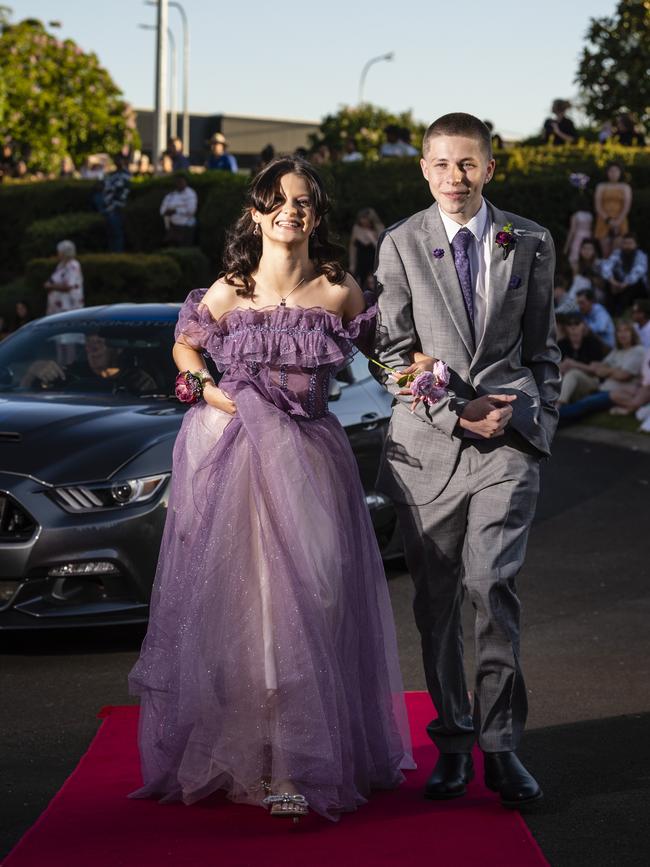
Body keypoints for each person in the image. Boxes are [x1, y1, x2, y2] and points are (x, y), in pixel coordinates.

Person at [128, 157, 414, 822]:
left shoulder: (340, 289)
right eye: (278, 200)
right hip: (240, 462)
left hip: (314, 463)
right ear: (255, 212)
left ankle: (309, 749)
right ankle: (279, 765)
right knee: (254, 614)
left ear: (317, 214)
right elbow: (185, 345)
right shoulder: (228, 290)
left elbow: (376, 353)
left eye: (305, 200)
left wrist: (416, 374)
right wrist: (204, 389)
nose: (292, 210)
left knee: (319, 600)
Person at [374, 113, 561, 807]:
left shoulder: (531, 240)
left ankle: (502, 745)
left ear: (489, 167)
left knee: (491, 583)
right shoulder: (399, 244)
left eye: (468, 164)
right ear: (424, 168)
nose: (455, 177)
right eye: (442, 164)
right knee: (437, 605)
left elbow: (544, 346)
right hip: (426, 454)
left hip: (507, 448)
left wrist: (541, 418)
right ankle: (453, 740)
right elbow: (391, 359)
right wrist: (454, 411)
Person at [558, 320, 644, 416]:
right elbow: (598, 370)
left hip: (615, 393)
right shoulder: (617, 351)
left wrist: (608, 371)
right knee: (580, 398)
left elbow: (622, 376)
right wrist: (614, 370)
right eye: (619, 331)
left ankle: (555, 415)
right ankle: (555, 409)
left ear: (632, 334)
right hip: (603, 389)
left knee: (582, 405)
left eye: (626, 331)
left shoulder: (638, 351)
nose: (622, 334)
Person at [600, 233, 648, 316]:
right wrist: (613, 281)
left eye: (630, 243)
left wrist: (624, 284)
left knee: (636, 282)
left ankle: (620, 311)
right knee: (610, 279)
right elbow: (606, 266)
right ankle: (609, 310)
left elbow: (637, 272)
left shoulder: (641, 255)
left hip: (635, 288)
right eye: (625, 243)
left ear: (636, 245)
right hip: (618, 285)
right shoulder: (617, 253)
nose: (627, 246)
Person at [593, 162, 632, 258]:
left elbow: (626, 206)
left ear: (620, 173)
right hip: (603, 219)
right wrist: (608, 220)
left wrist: (618, 221)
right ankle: (606, 272)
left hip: (620, 220)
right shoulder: (601, 186)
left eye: (616, 171)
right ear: (607, 172)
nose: (613, 173)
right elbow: (598, 205)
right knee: (605, 252)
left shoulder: (625, 187)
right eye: (611, 171)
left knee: (617, 251)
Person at [44, 240, 84, 318]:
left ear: (64, 253)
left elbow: (68, 286)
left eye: (59, 251)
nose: (57, 253)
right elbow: (53, 280)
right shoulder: (61, 265)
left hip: (69, 308)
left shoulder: (73, 265)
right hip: (57, 309)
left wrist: (51, 286)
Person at [99, 154, 131, 252]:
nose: (118, 162)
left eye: (120, 160)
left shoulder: (126, 175)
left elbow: (122, 191)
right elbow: (105, 187)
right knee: (110, 234)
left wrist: (116, 204)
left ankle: (117, 253)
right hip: (108, 208)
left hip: (117, 208)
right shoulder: (111, 175)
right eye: (116, 160)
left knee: (117, 234)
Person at [348, 207, 384, 290]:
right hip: (360, 262)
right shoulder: (357, 228)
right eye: (361, 218)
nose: (363, 221)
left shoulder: (379, 228)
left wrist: (371, 237)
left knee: (374, 285)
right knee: (359, 285)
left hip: (374, 262)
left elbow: (381, 247)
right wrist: (352, 264)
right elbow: (353, 247)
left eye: (365, 218)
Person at [159, 174, 198, 247]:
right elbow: (162, 210)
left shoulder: (190, 194)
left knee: (184, 247)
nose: (179, 184)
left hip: (185, 227)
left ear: (186, 182)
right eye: (177, 182)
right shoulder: (171, 195)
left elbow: (191, 211)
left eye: (181, 182)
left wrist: (176, 211)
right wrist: (168, 212)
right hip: (171, 226)